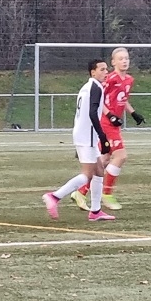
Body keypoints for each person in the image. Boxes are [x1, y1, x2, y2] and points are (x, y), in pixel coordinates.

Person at [71, 47, 145, 211]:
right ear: (113, 62)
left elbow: (122, 99)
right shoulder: (110, 79)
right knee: (121, 156)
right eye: (120, 59)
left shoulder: (129, 80)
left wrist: (133, 113)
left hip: (114, 125)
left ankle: (80, 192)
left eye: (126, 58)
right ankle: (107, 193)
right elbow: (99, 99)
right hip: (106, 123)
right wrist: (110, 115)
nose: (124, 61)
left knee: (102, 161)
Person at [42, 59, 116, 222]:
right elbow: (92, 113)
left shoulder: (86, 87)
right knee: (87, 174)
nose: (106, 72)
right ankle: (54, 196)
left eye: (106, 69)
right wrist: (102, 136)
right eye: (102, 69)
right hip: (87, 136)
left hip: (84, 134)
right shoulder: (96, 87)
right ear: (93, 72)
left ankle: (95, 211)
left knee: (99, 171)